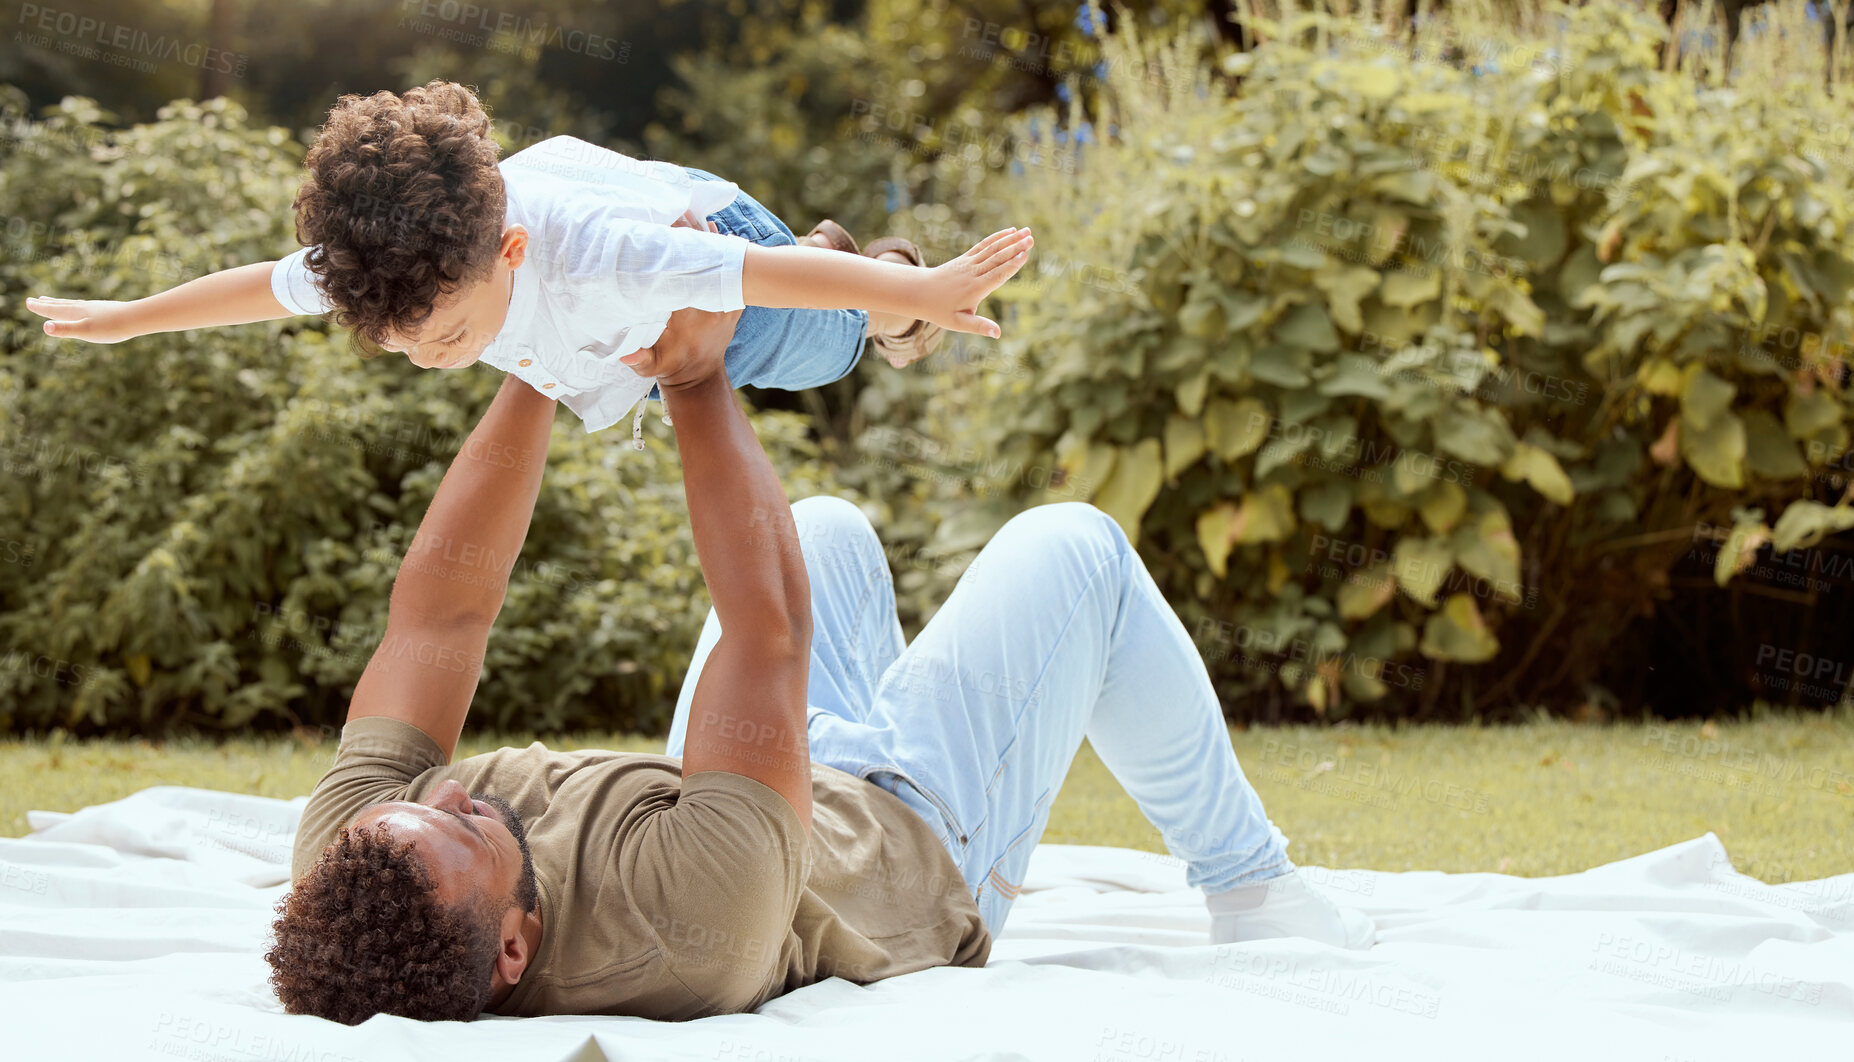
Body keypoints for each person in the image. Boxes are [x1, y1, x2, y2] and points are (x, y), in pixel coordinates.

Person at [268, 306, 1374, 1026]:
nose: (458, 791)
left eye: (431, 804)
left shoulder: (358, 858)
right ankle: (1252, 886)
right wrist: (695, 374)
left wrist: (540, 366)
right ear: (514, 950)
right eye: (466, 826)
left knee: (830, 525)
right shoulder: (682, 922)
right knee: (1074, 548)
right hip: (918, 838)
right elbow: (768, 630)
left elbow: (442, 614)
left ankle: (867, 734)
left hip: (742, 792)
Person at [22, 79, 1032, 448]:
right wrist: (125, 317)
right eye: (399, 344)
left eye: (450, 335)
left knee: (823, 350)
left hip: (728, 246)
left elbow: (755, 280)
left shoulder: (604, 257)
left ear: (509, 252)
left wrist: (922, 294)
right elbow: (257, 289)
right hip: (634, 228)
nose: (426, 359)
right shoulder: (395, 251)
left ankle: (879, 274)